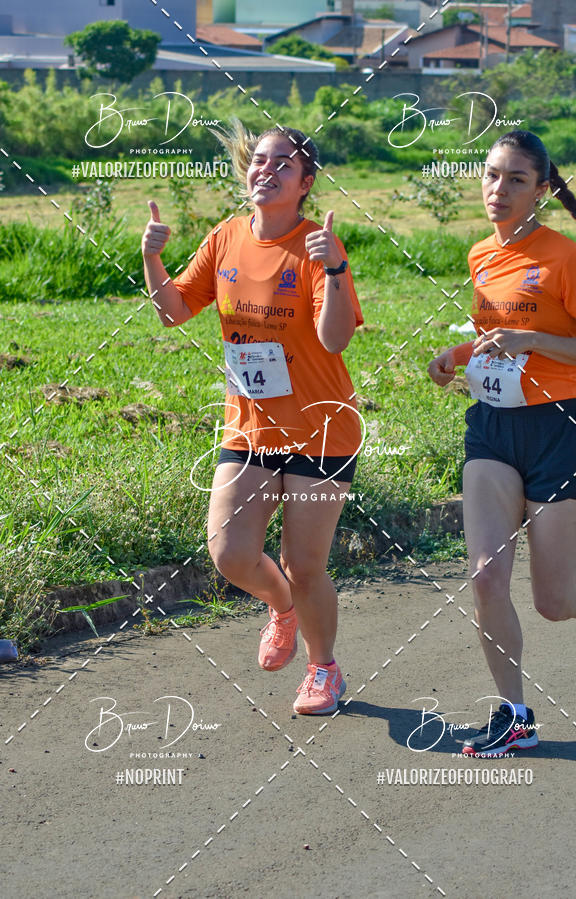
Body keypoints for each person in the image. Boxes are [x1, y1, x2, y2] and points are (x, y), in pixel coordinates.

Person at [141, 120, 364, 714]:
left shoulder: (318, 246)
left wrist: (335, 270)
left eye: (284, 164)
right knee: (230, 553)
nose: (266, 170)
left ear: (305, 183)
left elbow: (335, 339)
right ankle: (282, 606)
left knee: (305, 564)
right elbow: (173, 311)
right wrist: (151, 258)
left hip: (321, 431)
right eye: (260, 160)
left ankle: (323, 669)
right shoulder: (226, 237)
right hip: (251, 427)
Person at [428, 130, 576, 757]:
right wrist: (455, 356)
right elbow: (495, 335)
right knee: (485, 575)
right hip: (493, 428)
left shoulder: (565, 258)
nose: (498, 189)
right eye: (491, 175)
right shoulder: (480, 254)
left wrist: (533, 342)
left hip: (561, 431)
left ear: (542, 190)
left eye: (516, 180)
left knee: (555, 601)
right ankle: (514, 715)